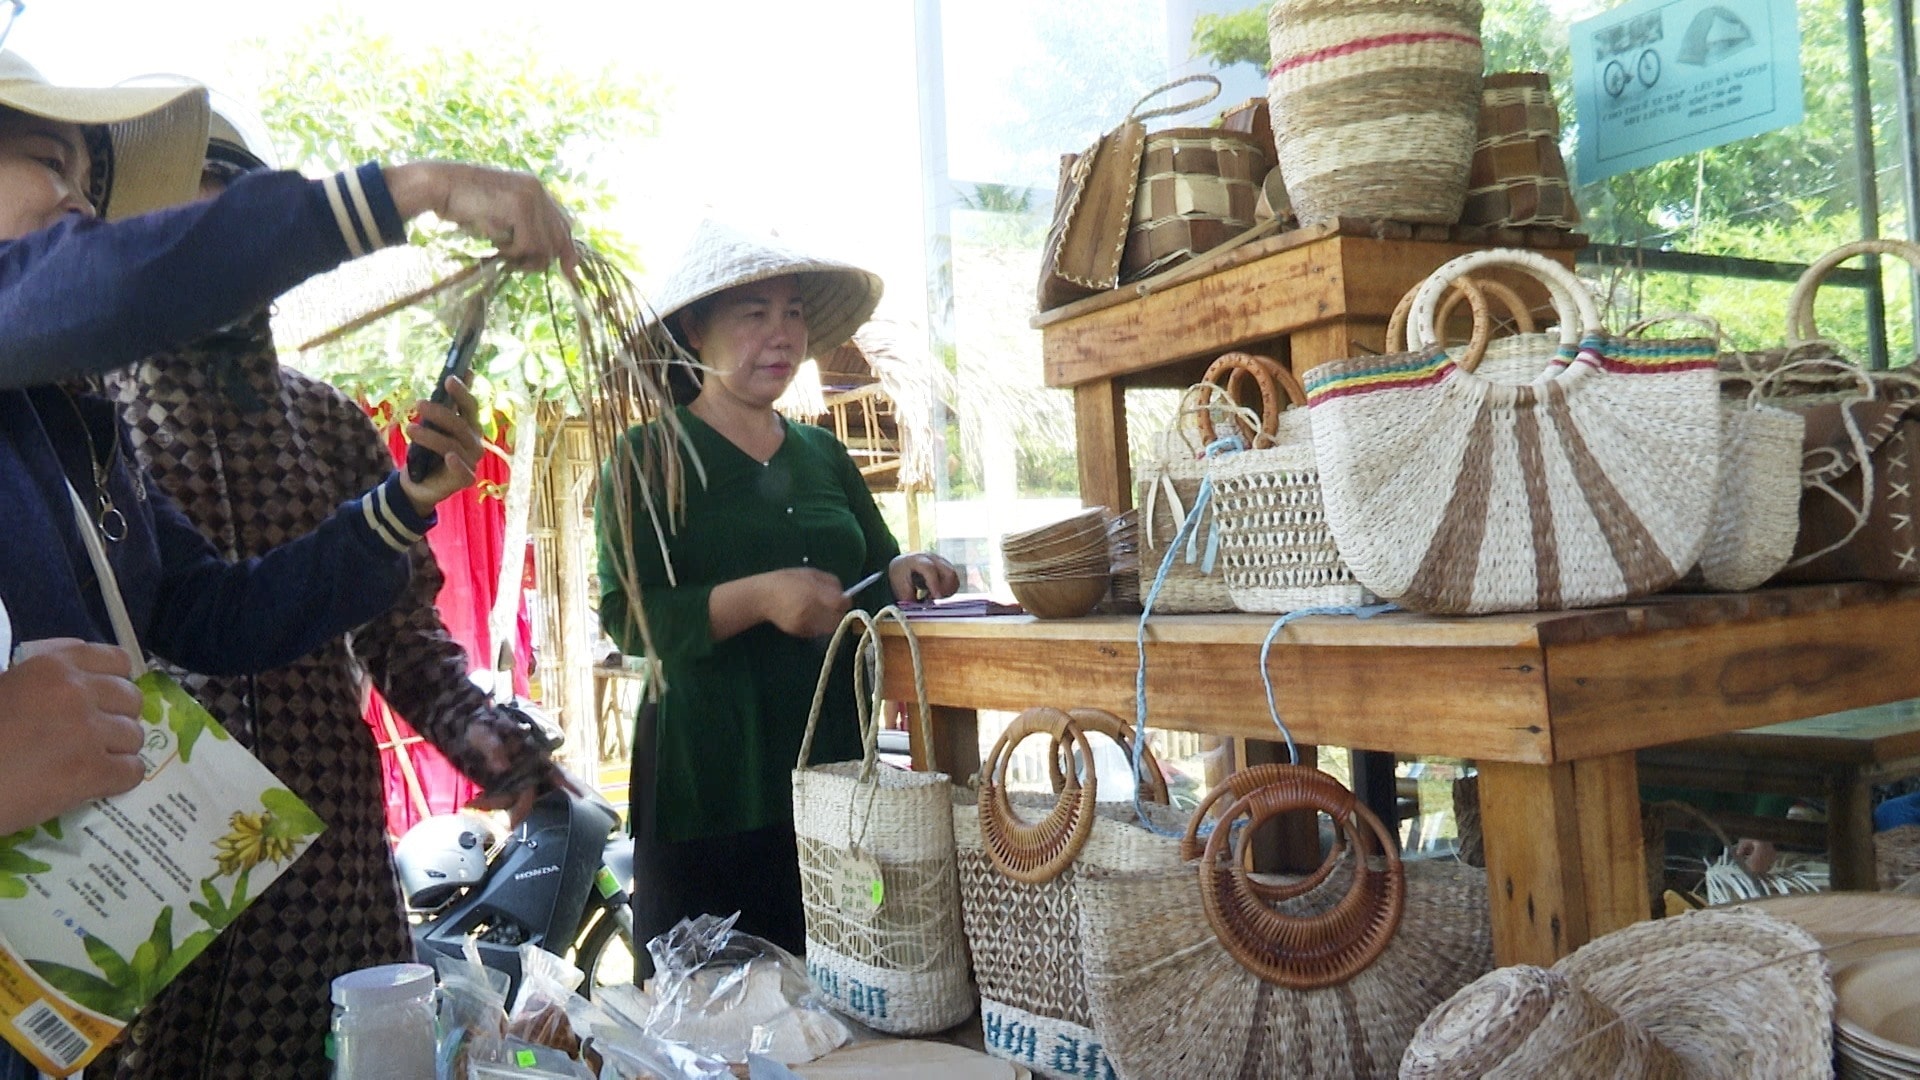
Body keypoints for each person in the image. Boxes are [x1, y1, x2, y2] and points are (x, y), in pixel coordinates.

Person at [0, 54, 571, 1080]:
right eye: (53, 164)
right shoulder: (85, 373)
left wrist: (401, 506)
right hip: (123, 897)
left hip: (272, 875)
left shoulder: (87, 434)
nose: (86, 208)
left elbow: (223, 611)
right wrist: (421, 188)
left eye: (98, 186)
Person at [595, 220, 958, 963]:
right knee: (706, 1018)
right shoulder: (647, 459)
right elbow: (629, 619)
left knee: (843, 996)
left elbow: (876, 572)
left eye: (792, 311)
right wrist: (759, 597)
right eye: (754, 313)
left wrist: (902, 573)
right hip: (709, 787)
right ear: (695, 330)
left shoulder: (824, 454)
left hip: (832, 779)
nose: (781, 333)